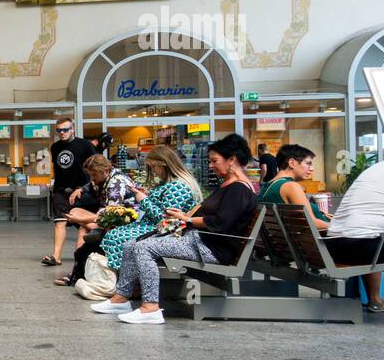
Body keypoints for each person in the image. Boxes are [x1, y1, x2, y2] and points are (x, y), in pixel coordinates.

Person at [92, 134, 259, 325]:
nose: (211, 166)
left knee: (143, 247)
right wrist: (185, 216)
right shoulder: (229, 186)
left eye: (214, 161)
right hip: (200, 241)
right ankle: (121, 298)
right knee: (131, 244)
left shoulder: (239, 189)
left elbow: (221, 222)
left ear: (232, 160)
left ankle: (150, 307)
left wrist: (186, 219)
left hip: (211, 248)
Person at [98, 145, 202, 271]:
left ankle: (126, 281)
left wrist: (143, 199)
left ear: (164, 164)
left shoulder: (178, 187)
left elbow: (167, 222)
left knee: (116, 237)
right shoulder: (171, 183)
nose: (153, 171)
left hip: (162, 230)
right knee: (113, 234)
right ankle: (122, 279)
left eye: (154, 166)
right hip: (153, 227)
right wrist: (147, 196)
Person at [54, 154, 140, 287]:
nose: (92, 178)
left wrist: (81, 219)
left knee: (83, 225)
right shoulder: (106, 177)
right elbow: (92, 186)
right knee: (77, 214)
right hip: (112, 216)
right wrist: (81, 189)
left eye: (94, 175)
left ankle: (77, 273)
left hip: (126, 222)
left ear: (104, 171)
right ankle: (78, 272)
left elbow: (113, 214)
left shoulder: (116, 183)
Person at [325, 157, 384, 313]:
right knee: (374, 232)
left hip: (336, 245)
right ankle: (375, 300)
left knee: (373, 230)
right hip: (365, 247)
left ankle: (375, 300)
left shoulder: (379, 168)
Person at [43, 117, 96, 266]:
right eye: (59, 130)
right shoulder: (55, 147)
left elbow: (94, 166)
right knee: (60, 221)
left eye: (65, 129)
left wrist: (85, 187)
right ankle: (56, 256)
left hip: (82, 190)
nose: (62, 133)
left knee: (83, 225)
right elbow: (57, 168)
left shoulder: (85, 145)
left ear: (72, 129)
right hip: (61, 189)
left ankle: (80, 259)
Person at [259, 144, 330, 230]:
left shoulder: (268, 186)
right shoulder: (291, 186)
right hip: (323, 239)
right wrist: (342, 227)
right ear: (292, 163)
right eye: (308, 163)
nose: (312, 169)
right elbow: (312, 223)